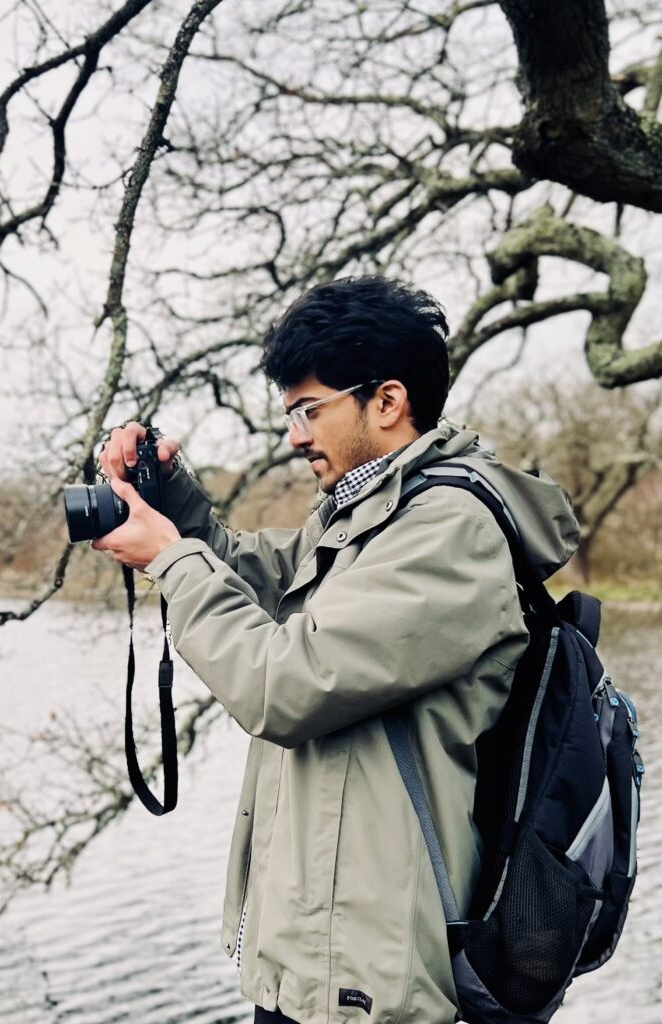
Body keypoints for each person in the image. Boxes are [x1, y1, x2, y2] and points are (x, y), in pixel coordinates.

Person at [92, 276, 579, 1024]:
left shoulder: (448, 532)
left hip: (379, 979)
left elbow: (283, 683)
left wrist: (169, 559)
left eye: (308, 409)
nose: (293, 434)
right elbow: (257, 575)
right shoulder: (369, 518)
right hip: (318, 963)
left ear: (386, 400)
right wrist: (173, 503)